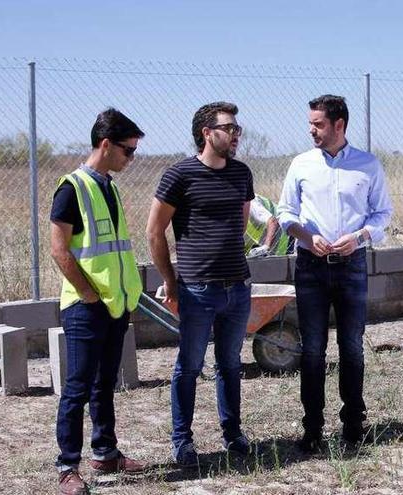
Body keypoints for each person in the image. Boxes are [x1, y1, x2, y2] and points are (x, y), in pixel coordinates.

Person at [277, 94, 393, 453]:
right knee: (312, 349)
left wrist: (359, 237)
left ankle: (353, 427)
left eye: (318, 124)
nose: (311, 129)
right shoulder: (301, 165)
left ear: (339, 125)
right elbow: (285, 213)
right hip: (310, 267)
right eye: (311, 123)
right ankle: (312, 429)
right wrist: (307, 238)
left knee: (352, 347)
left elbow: (383, 215)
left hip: (352, 266)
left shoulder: (368, 165)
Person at [146, 101, 255, 467]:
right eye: (229, 127)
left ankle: (233, 434)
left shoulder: (242, 174)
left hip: (238, 288)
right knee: (189, 367)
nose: (236, 134)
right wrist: (171, 281)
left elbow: (239, 224)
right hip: (197, 290)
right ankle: (183, 440)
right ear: (208, 133)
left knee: (230, 364)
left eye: (238, 128)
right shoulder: (179, 175)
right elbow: (154, 231)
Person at [50, 108, 147, 495]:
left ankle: (106, 452)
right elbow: (60, 251)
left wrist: (122, 295)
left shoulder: (110, 185)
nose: (132, 158)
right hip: (85, 307)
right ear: (105, 145)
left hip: (115, 306)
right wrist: (89, 294)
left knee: (105, 383)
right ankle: (67, 467)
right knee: (77, 386)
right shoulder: (72, 188)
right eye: (128, 151)